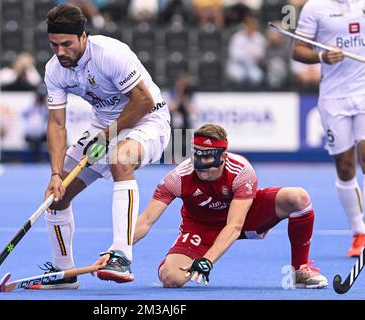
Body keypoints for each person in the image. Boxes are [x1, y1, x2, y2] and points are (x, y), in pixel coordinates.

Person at [37, 4, 171, 289]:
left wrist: (108, 137)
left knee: (120, 160)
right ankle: (64, 274)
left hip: (148, 121)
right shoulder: (54, 70)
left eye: (67, 44)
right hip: (104, 128)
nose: (60, 51)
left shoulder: (110, 53)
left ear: (83, 37)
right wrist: (55, 174)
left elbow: (143, 101)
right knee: (56, 198)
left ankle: (121, 255)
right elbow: (57, 125)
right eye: (54, 45)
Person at [134, 124, 328, 289]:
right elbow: (146, 220)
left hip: (241, 218)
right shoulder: (177, 178)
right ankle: (172, 260)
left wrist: (207, 260)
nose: (201, 165)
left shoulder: (241, 172)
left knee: (298, 197)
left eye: (208, 158)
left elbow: (234, 226)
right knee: (171, 278)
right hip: (201, 227)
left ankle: (301, 270)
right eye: (197, 156)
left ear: (223, 156)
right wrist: (118, 250)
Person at [292, 0, 365, 257]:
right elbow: (298, 49)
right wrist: (322, 56)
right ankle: (359, 233)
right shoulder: (315, 7)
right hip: (334, 98)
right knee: (345, 168)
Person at [22, 84, 48, 162]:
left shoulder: (46, 107)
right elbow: (23, 113)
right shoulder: (31, 106)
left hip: (42, 133)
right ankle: (37, 158)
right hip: (32, 133)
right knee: (35, 138)